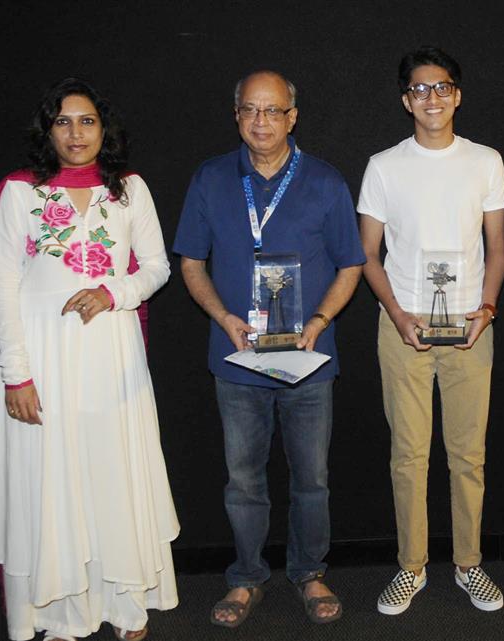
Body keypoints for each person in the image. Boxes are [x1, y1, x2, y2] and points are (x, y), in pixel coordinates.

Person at [0, 78, 178, 641]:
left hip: (111, 354)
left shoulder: (129, 190)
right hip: (42, 354)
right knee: (50, 477)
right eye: (63, 122)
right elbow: (2, 289)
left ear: (103, 128)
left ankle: (125, 604)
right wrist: (16, 373)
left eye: (86, 121)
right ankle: (60, 614)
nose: (76, 132)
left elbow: (157, 267)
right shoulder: (20, 191)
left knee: (113, 471)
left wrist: (114, 292)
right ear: (48, 131)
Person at [173, 70, 364, 626]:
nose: (262, 121)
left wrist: (322, 319)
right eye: (251, 110)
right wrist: (223, 316)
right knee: (243, 480)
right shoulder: (210, 179)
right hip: (236, 362)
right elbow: (190, 262)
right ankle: (247, 577)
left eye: (273, 110)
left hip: (308, 362)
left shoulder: (326, 182)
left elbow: (352, 264)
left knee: (312, 480)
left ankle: (309, 572)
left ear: (292, 117)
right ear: (237, 116)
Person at [358, 46, 504, 615]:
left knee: (468, 455)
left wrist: (488, 308)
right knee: (408, 455)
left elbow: (498, 248)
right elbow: (368, 255)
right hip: (404, 329)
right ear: (406, 100)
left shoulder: (486, 161)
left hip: (471, 327)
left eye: (442, 87)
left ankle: (469, 564)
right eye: (421, 89)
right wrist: (398, 314)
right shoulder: (383, 166)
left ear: (458, 95)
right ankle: (411, 567)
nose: (433, 98)